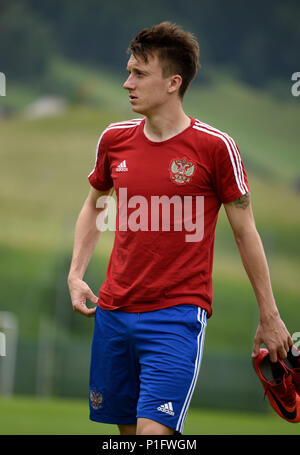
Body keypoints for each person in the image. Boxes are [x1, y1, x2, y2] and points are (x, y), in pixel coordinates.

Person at [67, 22, 293, 435]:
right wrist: (76, 274)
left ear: (173, 82)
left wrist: (270, 314)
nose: (126, 83)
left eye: (138, 74)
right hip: (113, 314)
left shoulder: (215, 147)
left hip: (175, 318)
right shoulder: (113, 140)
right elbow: (95, 203)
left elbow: (246, 233)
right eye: (128, 71)